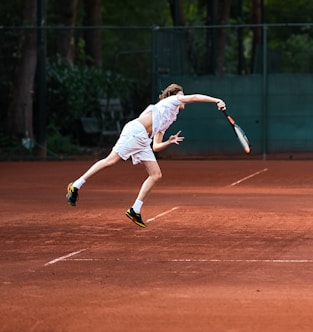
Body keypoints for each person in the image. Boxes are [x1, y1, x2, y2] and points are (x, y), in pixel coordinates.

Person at [65, 83, 226, 228]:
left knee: (156, 175)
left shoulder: (170, 116)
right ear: (175, 96)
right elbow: (195, 97)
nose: (183, 99)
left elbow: (156, 146)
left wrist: (169, 141)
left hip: (144, 140)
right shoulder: (170, 102)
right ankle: (76, 185)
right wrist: (216, 100)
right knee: (111, 160)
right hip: (136, 132)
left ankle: (135, 210)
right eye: (181, 95)